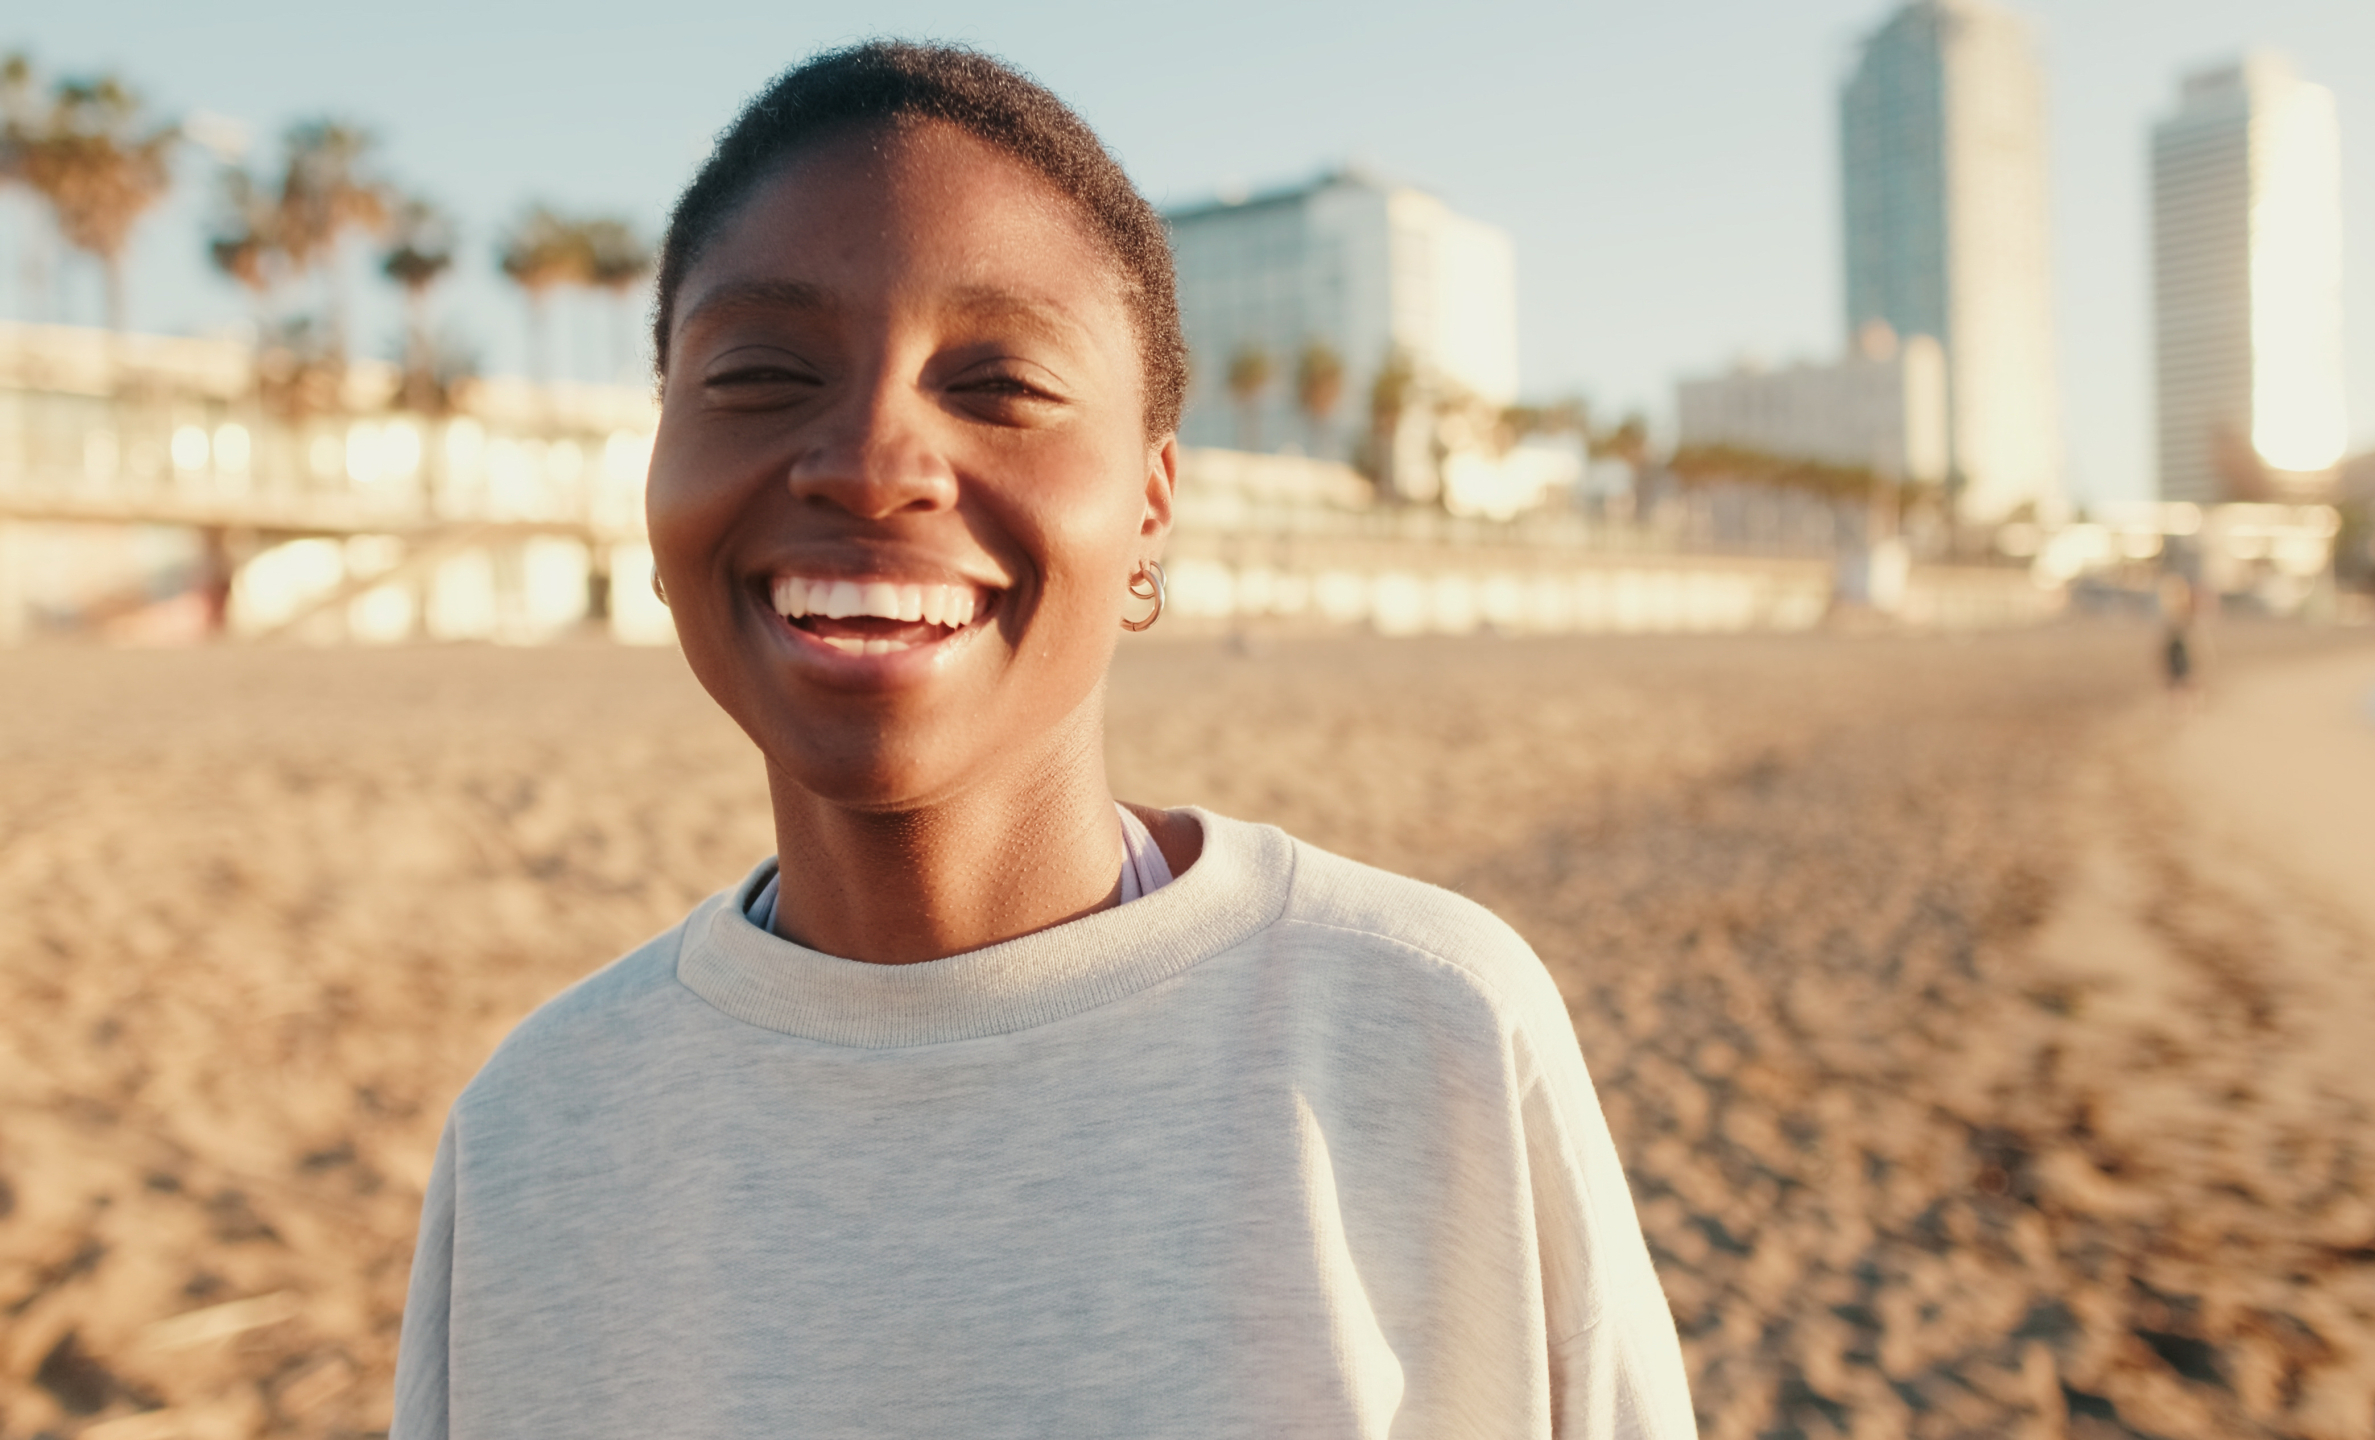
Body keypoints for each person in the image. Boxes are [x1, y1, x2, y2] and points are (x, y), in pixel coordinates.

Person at [390, 42, 1691, 1439]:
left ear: (1150, 503)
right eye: (762, 375)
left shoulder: (1429, 1032)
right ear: (659, 482)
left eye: (1000, 385)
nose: (873, 462)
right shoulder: (535, 1138)